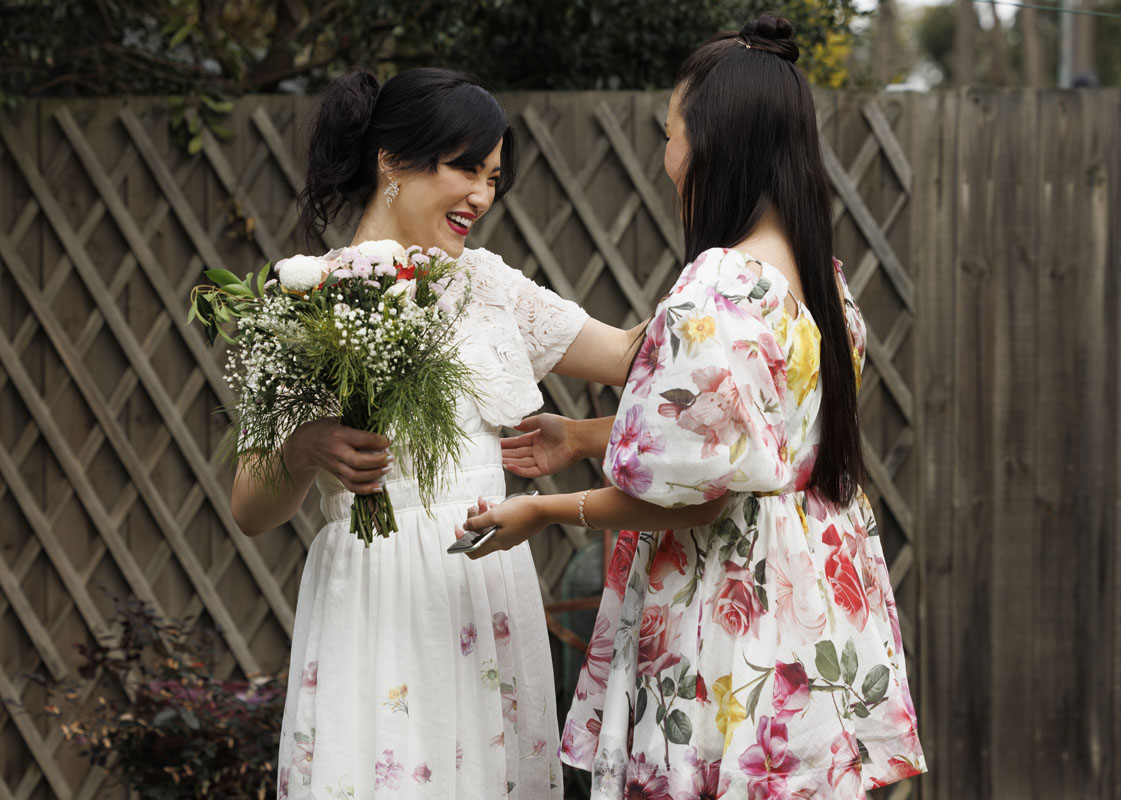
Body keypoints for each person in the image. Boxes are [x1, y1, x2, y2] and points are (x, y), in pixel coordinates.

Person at [459, 15, 927, 798]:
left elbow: (699, 501)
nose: (666, 156)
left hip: (728, 625)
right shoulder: (823, 284)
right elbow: (751, 446)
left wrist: (542, 512)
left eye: (670, 134)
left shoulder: (718, 286)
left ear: (714, 143)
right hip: (805, 620)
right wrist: (581, 436)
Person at [231, 67, 639, 800]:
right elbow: (250, 509)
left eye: (493, 178)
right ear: (392, 161)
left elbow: (624, 355)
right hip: (378, 596)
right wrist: (306, 447)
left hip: (484, 584)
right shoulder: (307, 297)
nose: (482, 196)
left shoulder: (487, 284)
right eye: (465, 169)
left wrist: (739, 287)